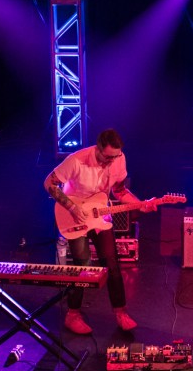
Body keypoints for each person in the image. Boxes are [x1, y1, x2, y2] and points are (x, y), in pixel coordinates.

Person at [43, 128, 155, 335]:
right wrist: (72, 208)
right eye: (107, 157)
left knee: (111, 263)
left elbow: (120, 191)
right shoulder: (76, 160)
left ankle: (120, 312)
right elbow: (49, 183)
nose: (111, 161)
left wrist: (141, 205)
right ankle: (73, 314)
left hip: (99, 214)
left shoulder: (119, 159)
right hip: (74, 213)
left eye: (115, 156)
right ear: (98, 148)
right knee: (82, 266)